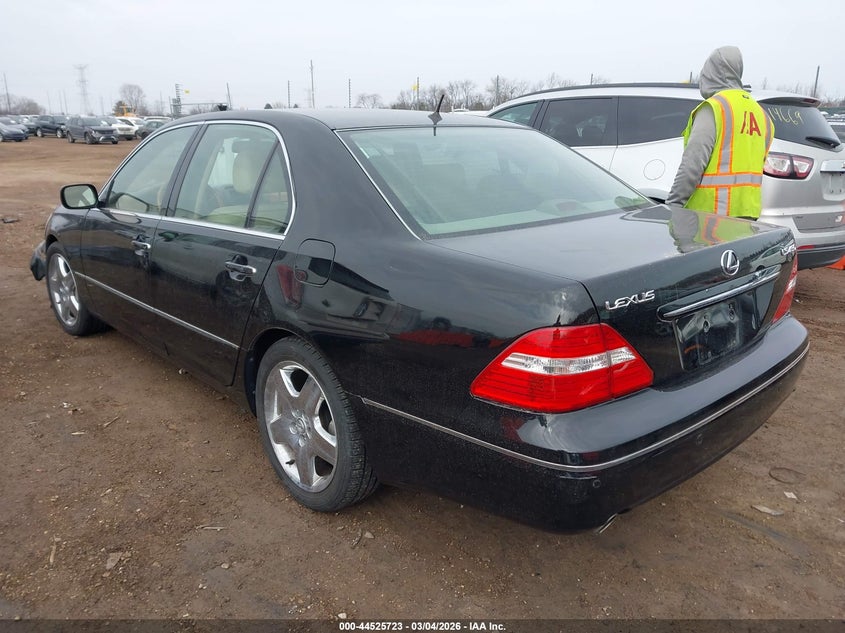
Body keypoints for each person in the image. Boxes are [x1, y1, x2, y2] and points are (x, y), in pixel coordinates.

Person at [667, 46, 774, 220]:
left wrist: (673, 207)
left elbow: (692, 165)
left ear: (712, 72)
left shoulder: (715, 108)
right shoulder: (762, 115)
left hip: (710, 215)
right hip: (748, 215)